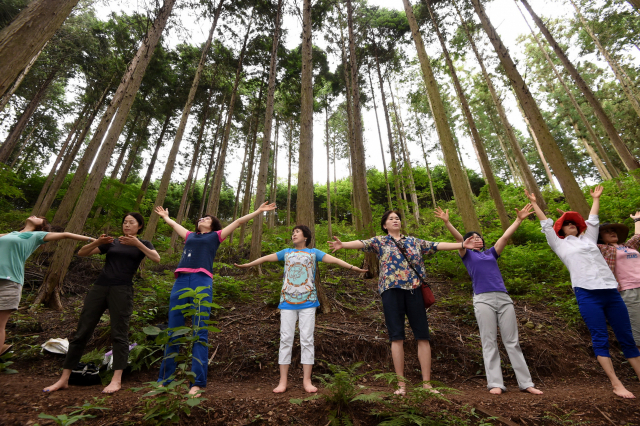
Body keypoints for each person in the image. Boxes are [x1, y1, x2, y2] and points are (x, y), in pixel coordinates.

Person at [327, 210, 483, 394]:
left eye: (397, 218)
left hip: (415, 289)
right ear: (384, 225)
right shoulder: (380, 241)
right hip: (391, 290)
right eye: (391, 219)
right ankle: (401, 385)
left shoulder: (414, 241)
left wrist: (462, 244)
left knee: (423, 335)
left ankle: (427, 384)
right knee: (396, 336)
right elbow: (362, 243)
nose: (395, 221)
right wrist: (342, 244)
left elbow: (437, 245)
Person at [526, 186, 640, 399]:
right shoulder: (559, 245)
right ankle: (616, 384)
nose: (570, 226)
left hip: (610, 291)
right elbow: (546, 225)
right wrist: (534, 204)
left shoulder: (589, 240)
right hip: (587, 293)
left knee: (627, 337)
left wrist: (596, 199)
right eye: (566, 224)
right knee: (600, 337)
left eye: (573, 224)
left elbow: (593, 220)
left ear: (579, 227)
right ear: (562, 230)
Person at [156, 202, 276, 396]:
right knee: (174, 329)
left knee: (199, 329)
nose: (202, 218)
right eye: (201, 217)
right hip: (180, 281)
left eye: (207, 218)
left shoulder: (216, 236)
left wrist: (259, 211)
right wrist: (165, 217)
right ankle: (164, 380)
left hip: (201, 280)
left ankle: (197, 383)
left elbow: (237, 222)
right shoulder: (189, 235)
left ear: (213, 225)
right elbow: (173, 224)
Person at [234, 225, 367, 394]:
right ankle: (283, 381)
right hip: (287, 301)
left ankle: (307, 380)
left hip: (308, 302)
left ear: (306, 236)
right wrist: (247, 265)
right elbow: (265, 258)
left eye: (297, 232)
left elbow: (335, 261)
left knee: (307, 339)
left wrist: (354, 268)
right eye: (292, 232)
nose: (293, 234)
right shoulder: (286, 252)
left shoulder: (314, 253)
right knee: (286, 339)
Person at [44, 213, 160, 394]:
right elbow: (82, 252)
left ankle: (116, 380)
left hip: (122, 290)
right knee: (82, 331)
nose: (127, 225)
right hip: (99, 288)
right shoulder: (113, 242)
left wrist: (137, 243)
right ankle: (64, 379)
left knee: (119, 334)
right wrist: (98, 242)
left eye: (131, 223)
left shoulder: (143, 244)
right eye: (124, 222)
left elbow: (156, 258)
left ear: (139, 227)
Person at [435, 205, 543, 395]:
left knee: (512, 341)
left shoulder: (491, 253)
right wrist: (447, 222)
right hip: (482, 299)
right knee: (489, 341)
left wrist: (518, 220)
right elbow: (458, 240)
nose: (477, 239)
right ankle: (495, 384)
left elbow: (504, 238)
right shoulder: (467, 255)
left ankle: (526, 383)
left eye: (479, 237)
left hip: (503, 298)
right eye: (472, 237)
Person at [0, 216, 95, 358]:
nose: (35, 216)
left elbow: (66, 235)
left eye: (39, 218)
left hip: (10, 281)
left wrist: (94, 240)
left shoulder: (38, 235)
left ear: (42, 227)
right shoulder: (11, 234)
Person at [597, 212, 640, 350]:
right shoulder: (603, 249)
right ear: (600, 237)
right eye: (607, 232)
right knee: (637, 330)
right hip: (628, 290)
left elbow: (637, 236)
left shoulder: (628, 247)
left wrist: (637, 219)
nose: (612, 233)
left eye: (613, 230)